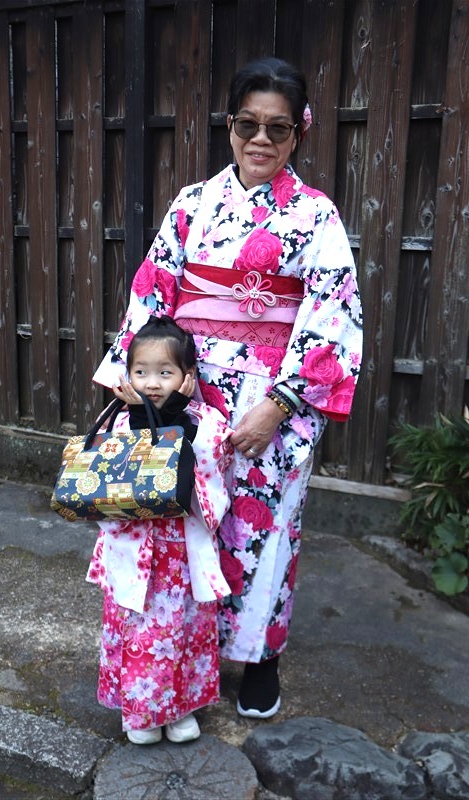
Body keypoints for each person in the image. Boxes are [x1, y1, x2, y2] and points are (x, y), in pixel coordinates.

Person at [94, 57, 363, 721]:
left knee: (265, 530)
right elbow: (154, 291)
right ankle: (194, 656)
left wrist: (280, 405)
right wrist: (134, 377)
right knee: (189, 527)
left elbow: (330, 316)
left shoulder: (315, 216)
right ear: (230, 125)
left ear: (298, 133)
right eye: (248, 124)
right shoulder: (193, 203)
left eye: (278, 128)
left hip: (271, 398)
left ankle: (260, 658)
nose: (261, 140)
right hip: (187, 395)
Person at [87, 316, 233, 744]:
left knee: (182, 631)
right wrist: (145, 421)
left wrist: (174, 422)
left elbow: (213, 471)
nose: (152, 383)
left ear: (188, 376)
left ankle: (181, 709)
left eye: (165, 372)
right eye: (141, 372)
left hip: (181, 553)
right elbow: (111, 485)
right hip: (136, 554)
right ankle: (142, 713)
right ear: (127, 375)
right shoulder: (119, 421)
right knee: (138, 632)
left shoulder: (206, 423)